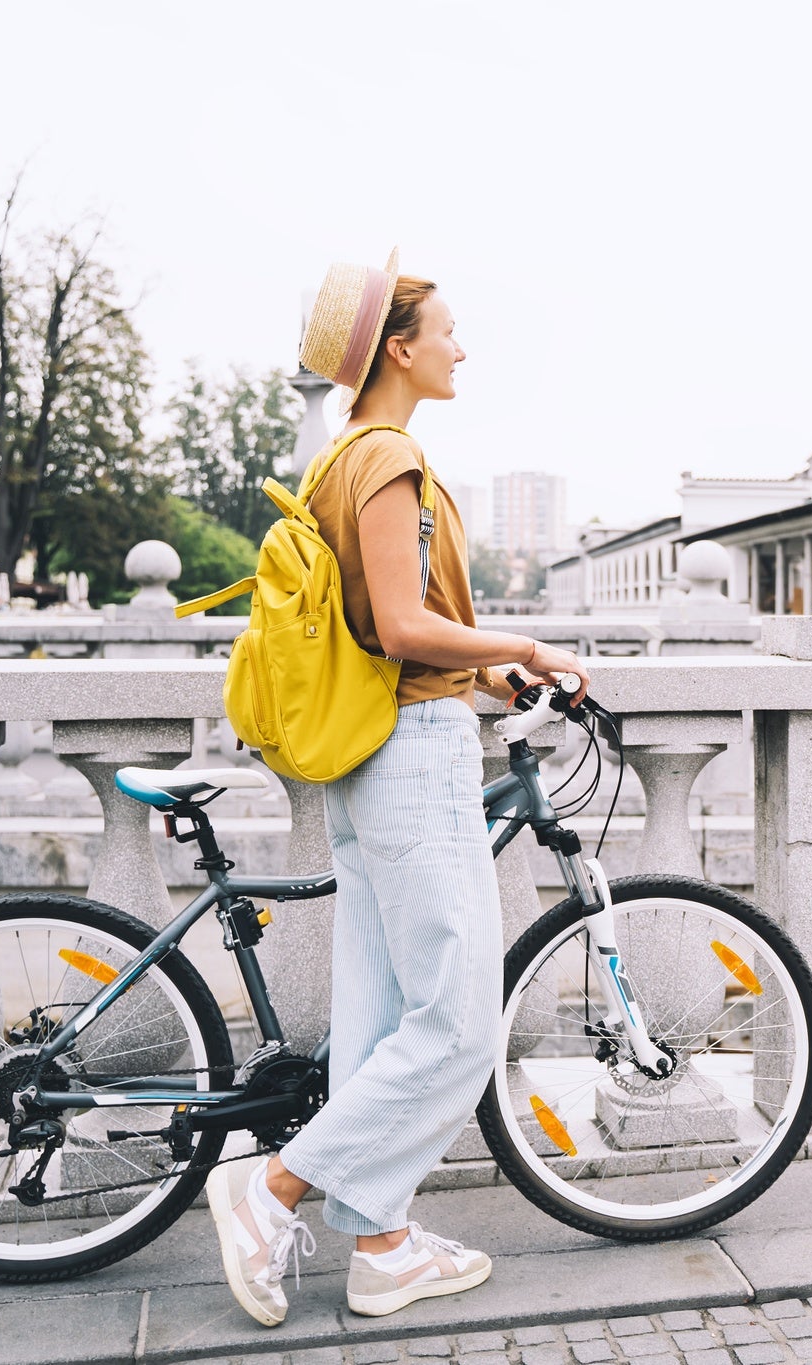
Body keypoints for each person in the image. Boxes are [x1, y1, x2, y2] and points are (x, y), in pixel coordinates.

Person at [206, 249, 591, 1329]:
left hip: (377, 751)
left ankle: (379, 1247)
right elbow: (397, 625)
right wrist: (528, 642)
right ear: (398, 349)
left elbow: (398, 633)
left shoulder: (345, 459)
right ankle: (270, 1190)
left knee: (381, 1017)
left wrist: (488, 666)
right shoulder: (388, 462)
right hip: (412, 753)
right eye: (447, 331)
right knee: (462, 1018)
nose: (462, 347)